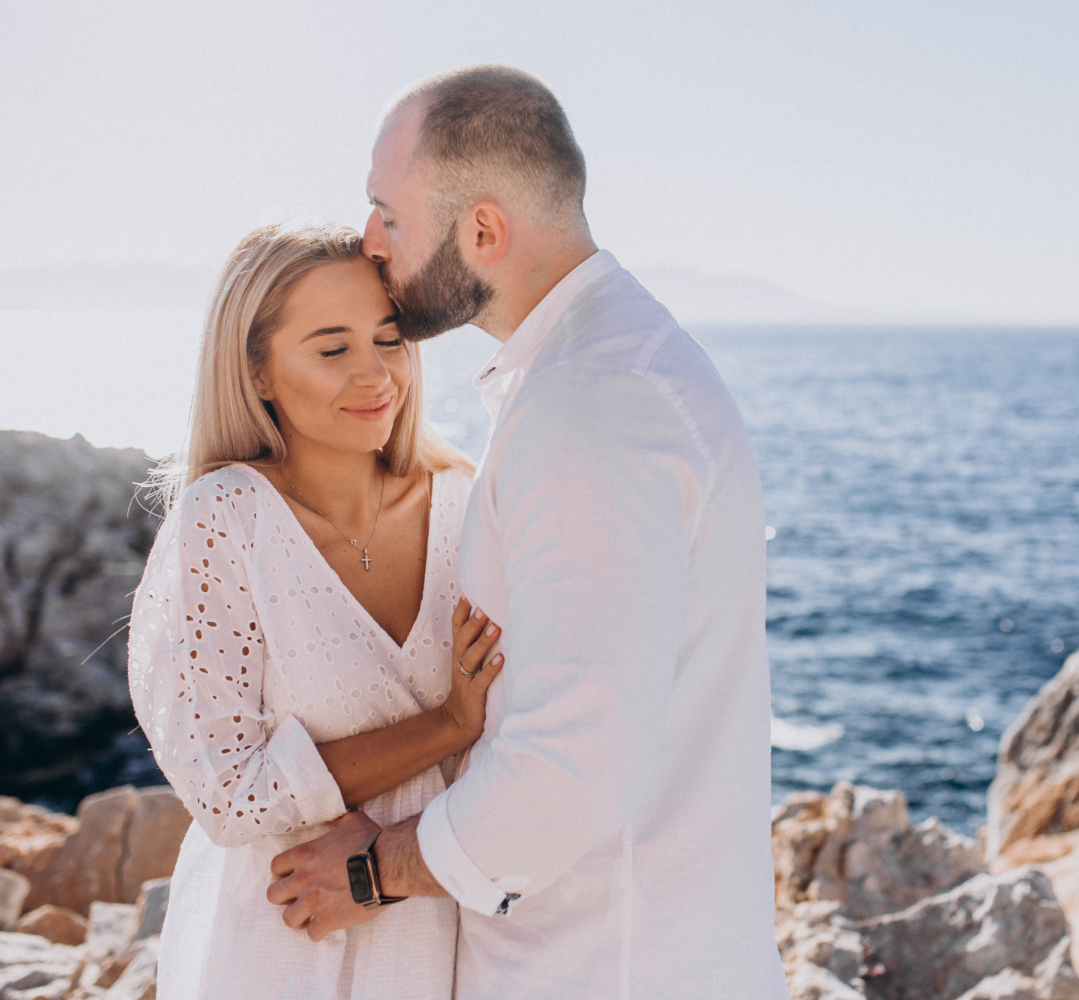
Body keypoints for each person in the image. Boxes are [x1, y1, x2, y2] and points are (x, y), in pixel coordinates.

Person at [267, 66, 790, 998]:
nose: (368, 241)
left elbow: (569, 767)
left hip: (603, 969)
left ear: (482, 232)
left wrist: (371, 871)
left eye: (388, 212)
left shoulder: (590, 404)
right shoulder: (606, 368)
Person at [127, 221, 505, 999]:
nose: (376, 376)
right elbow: (227, 794)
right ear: (258, 371)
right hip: (283, 940)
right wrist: (444, 726)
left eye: (390, 339)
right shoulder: (223, 521)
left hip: (445, 933)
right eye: (332, 350)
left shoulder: (468, 505)